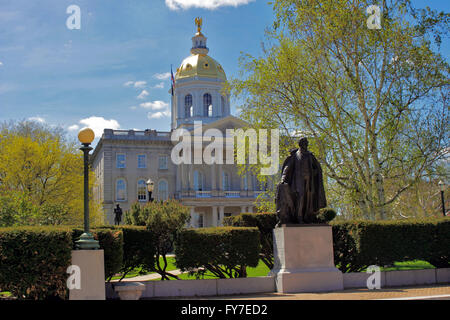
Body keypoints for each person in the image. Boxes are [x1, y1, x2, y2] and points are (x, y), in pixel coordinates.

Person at [276, 137, 327, 224]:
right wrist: (283, 179)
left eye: (307, 143)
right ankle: (299, 217)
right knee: (301, 198)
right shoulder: (295, 155)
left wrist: (313, 174)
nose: (306, 145)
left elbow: (317, 168)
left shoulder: (310, 155)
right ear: (301, 144)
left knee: (309, 199)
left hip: (309, 182)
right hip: (298, 182)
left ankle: (307, 217)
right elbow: (287, 168)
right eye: (305, 143)